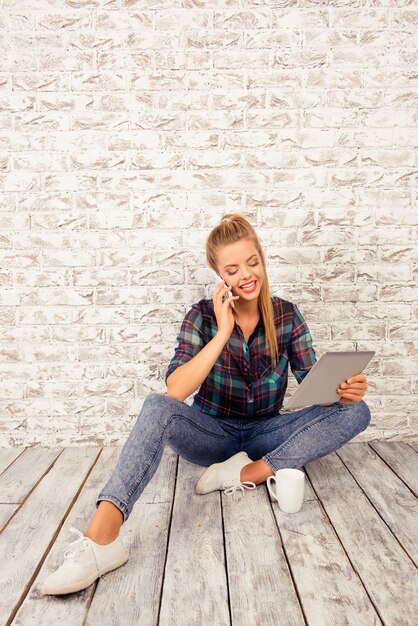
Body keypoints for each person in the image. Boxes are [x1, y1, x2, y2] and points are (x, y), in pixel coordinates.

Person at [41, 213, 371, 595]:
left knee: (358, 411)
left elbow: (314, 385)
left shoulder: (286, 315)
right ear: (220, 276)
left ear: (262, 260)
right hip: (211, 435)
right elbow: (176, 391)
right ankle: (102, 539)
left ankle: (247, 474)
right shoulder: (200, 316)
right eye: (232, 269)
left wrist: (343, 389)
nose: (246, 275)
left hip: (267, 432)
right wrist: (224, 330)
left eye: (252, 262)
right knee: (156, 405)